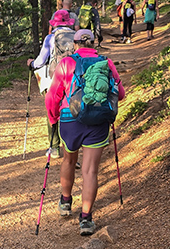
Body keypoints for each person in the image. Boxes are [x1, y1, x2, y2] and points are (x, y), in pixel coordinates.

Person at [45, 29, 125, 236]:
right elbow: (121, 94)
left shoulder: (66, 63)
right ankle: (86, 218)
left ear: (76, 44)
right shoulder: (106, 63)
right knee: (90, 170)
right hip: (98, 120)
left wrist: (53, 119)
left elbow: (52, 96)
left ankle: (65, 201)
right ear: (94, 43)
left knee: (69, 161)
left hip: (70, 119)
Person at [27, 10, 75, 159]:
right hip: (74, 80)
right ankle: (70, 149)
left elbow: (41, 61)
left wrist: (31, 63)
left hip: (56, 78)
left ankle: (54, 147)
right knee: (72, 110)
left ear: (54, 23)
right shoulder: (76, 36)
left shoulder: (50, 38)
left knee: (52, 109)